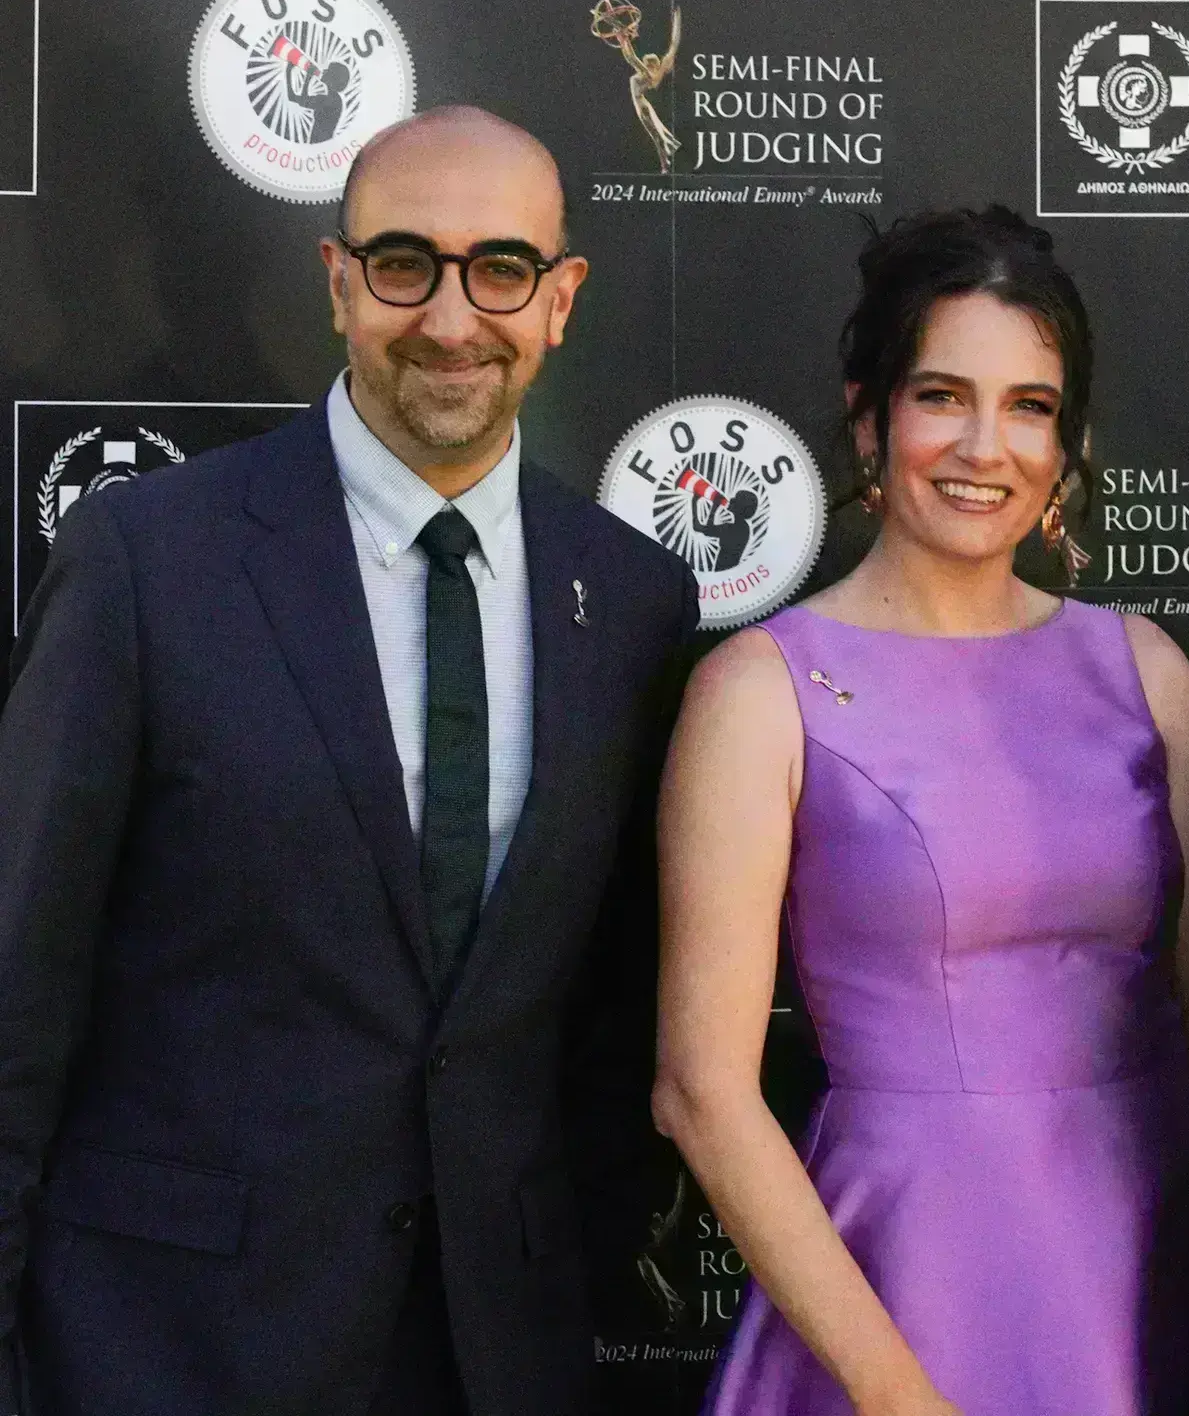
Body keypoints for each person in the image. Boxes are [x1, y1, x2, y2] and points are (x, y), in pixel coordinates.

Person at [0, 105, 697, 1415]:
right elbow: (17, 990)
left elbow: (613, 1007)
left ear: (561, 300)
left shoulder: (633, 598)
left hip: (497, 1355)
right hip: (169, 1352)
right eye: (404, 264)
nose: (451, 318)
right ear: (338, 284)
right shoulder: (150, 562)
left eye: (501, 269)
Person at [654, 206, 1189, 1416]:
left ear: (1067, 441)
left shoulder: (1143, 671)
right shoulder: (760, 690)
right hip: (901, 1283)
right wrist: (900, 1398)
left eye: (1030, 406)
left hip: (1156, 1264)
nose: (985, 446)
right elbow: (702, 1092)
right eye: (942, 397)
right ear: (869, 417)